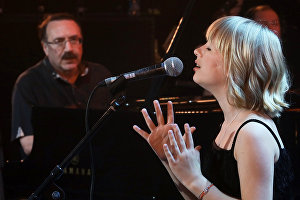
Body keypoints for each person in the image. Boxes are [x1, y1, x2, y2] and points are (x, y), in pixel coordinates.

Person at [133, 16, 293, 199]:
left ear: (236, 64)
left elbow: (202, 189)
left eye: (209, 48)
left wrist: (194, 179)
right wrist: (170, 161)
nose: (196, 51)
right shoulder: (230, 124)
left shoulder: (252, 132)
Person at [11, 13, 112, 157]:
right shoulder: (29, 83)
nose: (69, 49)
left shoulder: (100, 75)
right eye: (59, 41)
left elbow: (117, 129)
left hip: (101, 167)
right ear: (45, 47)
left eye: (74, 39)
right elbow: (29, 145)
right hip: (54, 172)